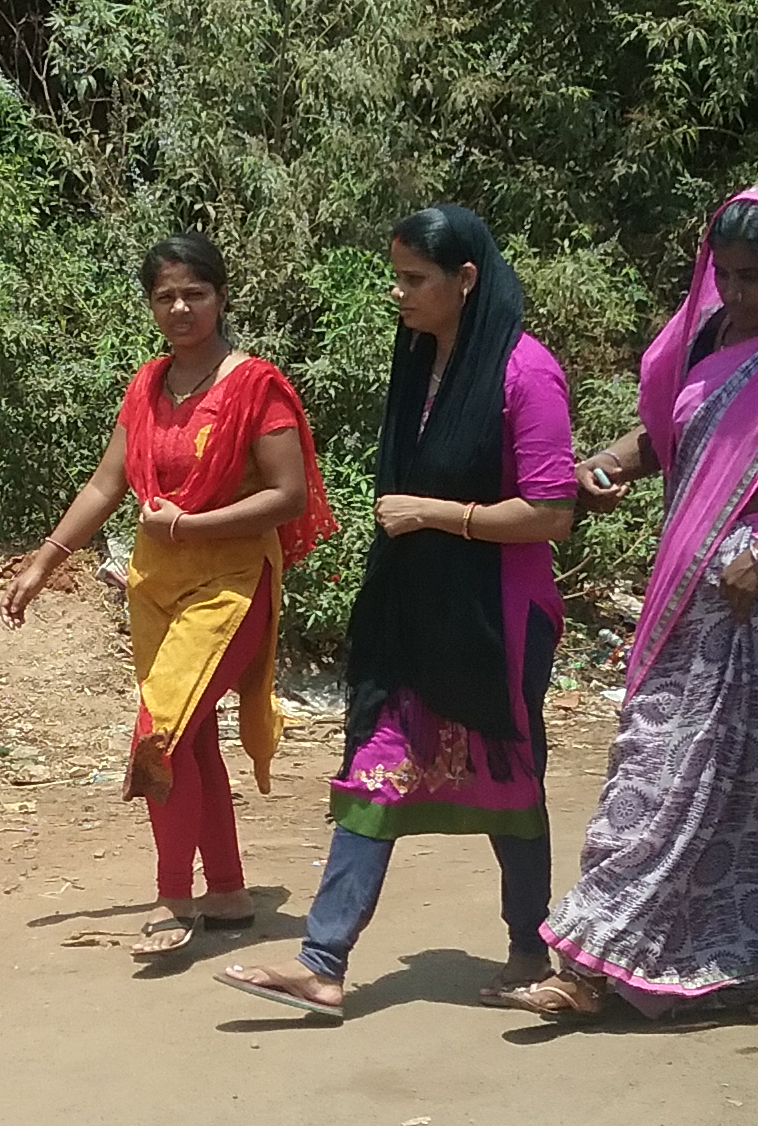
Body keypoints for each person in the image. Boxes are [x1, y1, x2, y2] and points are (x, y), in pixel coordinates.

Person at [496, 187, 758, 1021]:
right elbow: (666, 435)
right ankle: (595, 958)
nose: (734, 292)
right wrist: (605, 466)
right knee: (655, 771)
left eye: (753, 278)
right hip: (697, 586)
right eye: (725, 274)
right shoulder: (707, 341)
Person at [212, 203, 574, 1021]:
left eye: (414, 279)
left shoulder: (526, 372)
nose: (398, 293)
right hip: (414, 611)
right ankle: (322, 962)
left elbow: (551, 512)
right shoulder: (420, 360)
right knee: (376, 766)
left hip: (495, 618)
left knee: (510, 776)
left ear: (466, 279)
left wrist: (437, 514)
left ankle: (529, 947)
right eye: (396, 277)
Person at [2, 234, 334, 961]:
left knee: (161, 732)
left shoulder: (257, 385)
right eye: (165, 297)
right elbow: (106, 485)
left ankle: (173, 896)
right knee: (192, 735)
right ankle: (229, 892)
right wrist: (44, 563)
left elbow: (288, 495)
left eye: (195, 293)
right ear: (150, 305)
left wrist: (188, 524)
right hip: (156, 586)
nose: (181, 308)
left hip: (232, 584)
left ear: (221, 297)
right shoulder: (149, 385)